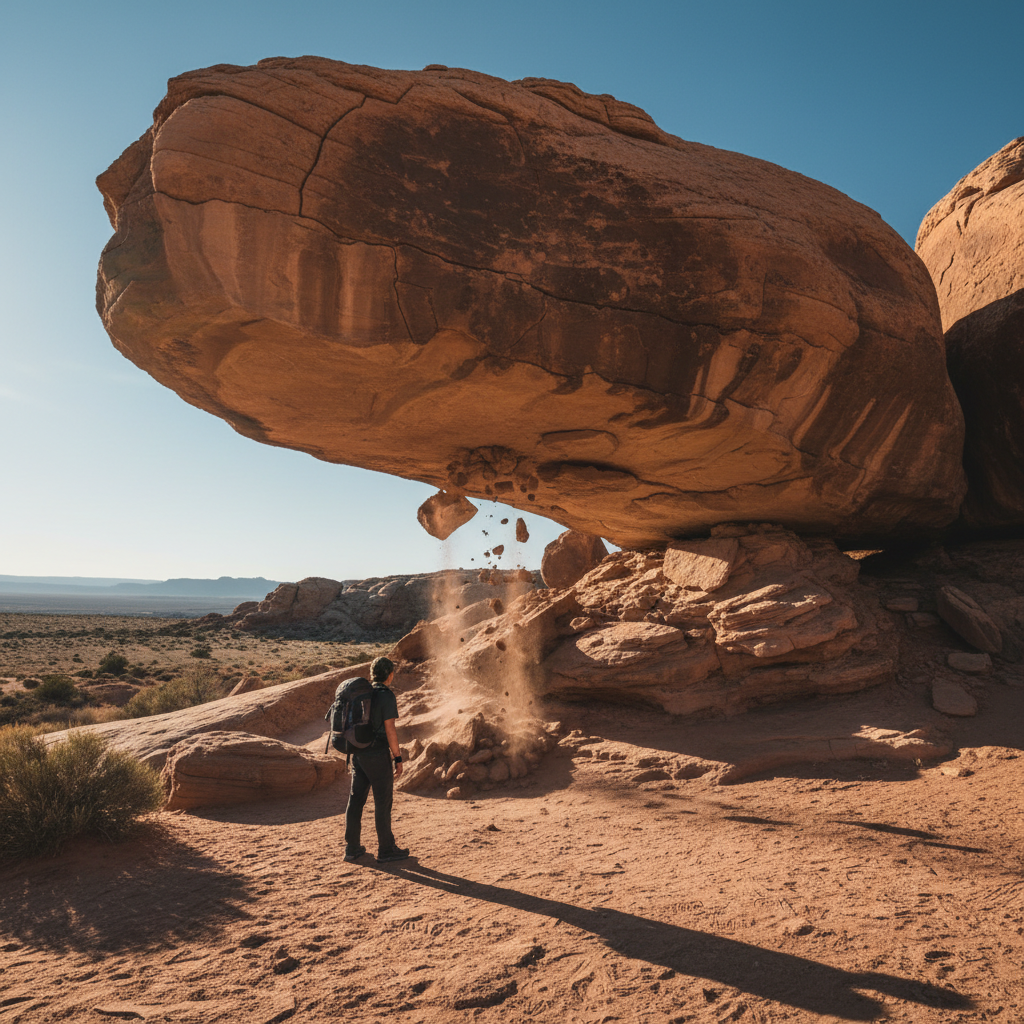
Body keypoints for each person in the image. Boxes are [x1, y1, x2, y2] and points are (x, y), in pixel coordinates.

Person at [344, 656, 410, 863]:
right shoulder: (386, 696)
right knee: (382, 801)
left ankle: (352, 848)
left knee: (356, 800)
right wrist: (397, 757)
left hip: (358, 753)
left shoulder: (363, 692)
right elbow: (390, 729)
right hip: (377, 754)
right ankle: (386, 849)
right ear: (389, 675)